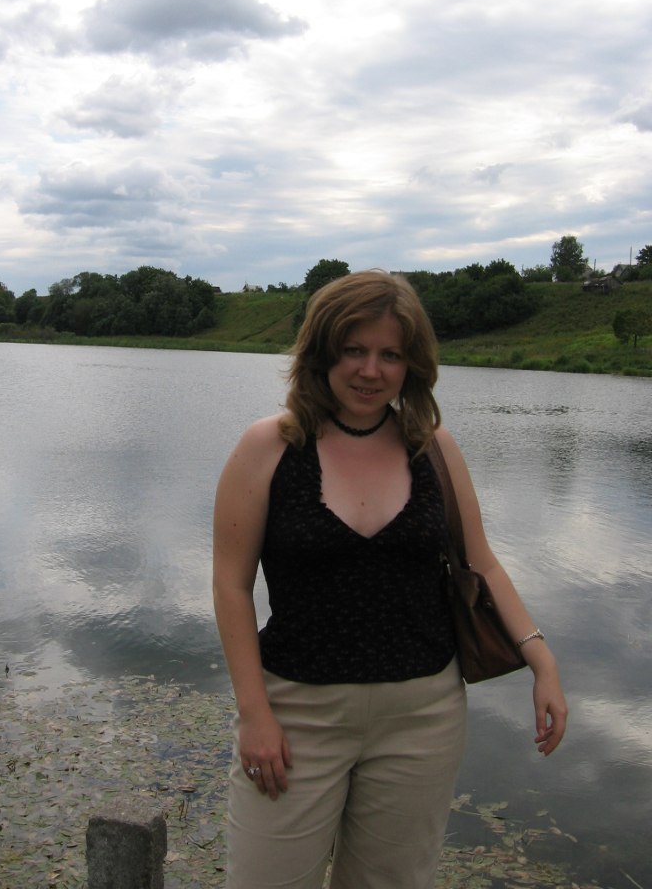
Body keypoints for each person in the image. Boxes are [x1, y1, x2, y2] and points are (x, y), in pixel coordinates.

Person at [212, 269, 567, 889]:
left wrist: (542, 661)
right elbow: (231, 586)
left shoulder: (433, 448)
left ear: (413, 365)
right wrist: (254, 713)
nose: (370, 371)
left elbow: (481, 562)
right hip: (296, 710)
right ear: (322, 352)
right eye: (354, 349)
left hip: (422, 716)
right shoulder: (269, 446)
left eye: (391, 355)